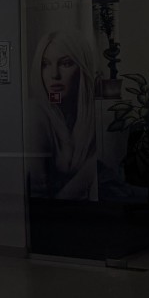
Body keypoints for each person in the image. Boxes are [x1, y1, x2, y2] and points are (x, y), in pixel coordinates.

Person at [29, 29, 98, 200]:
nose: (54, 75)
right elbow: (37, 196)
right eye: (45, 64)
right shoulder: (35, 114)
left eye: (66, 64)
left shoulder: (92, 118)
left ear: (82, 68)